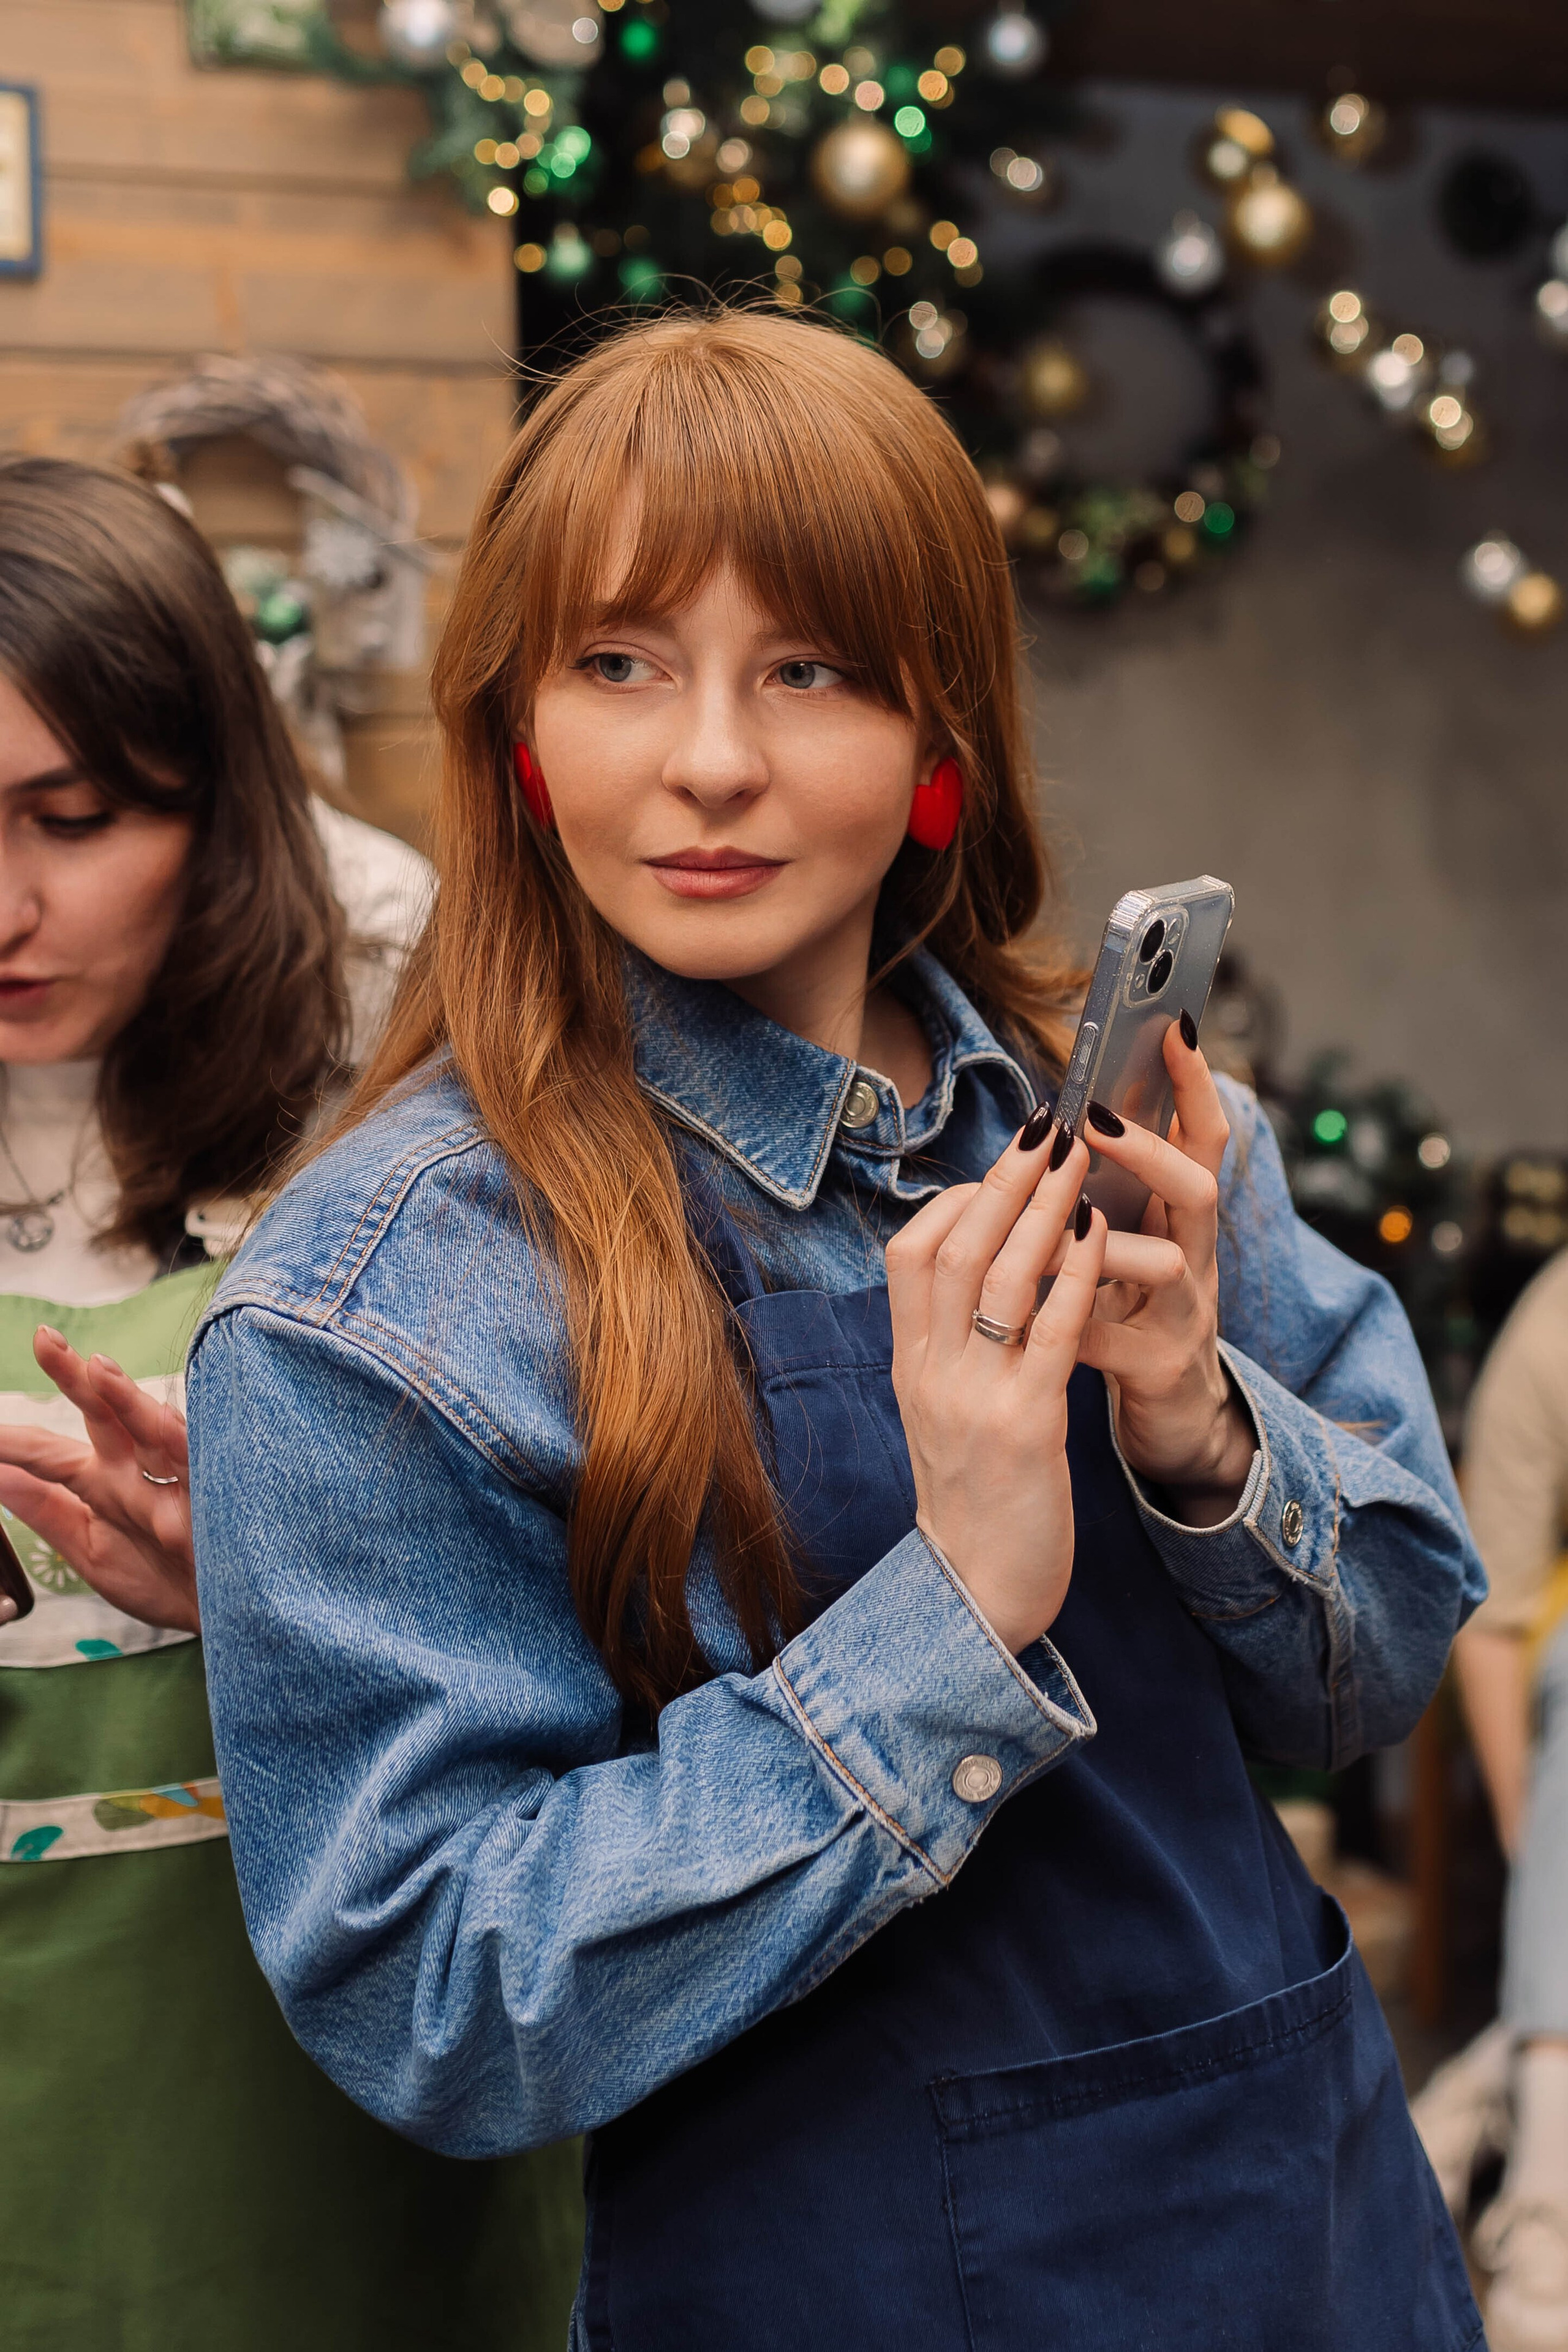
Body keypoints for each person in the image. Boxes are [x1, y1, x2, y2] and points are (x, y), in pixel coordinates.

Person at [17, 316, 1486, 2349]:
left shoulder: (1120, 1112)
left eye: (809, 669)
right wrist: (950, 1619)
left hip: (1312, 2239)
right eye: (621, 665)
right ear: (521, 732)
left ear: (942, 737)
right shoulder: (387, 1301)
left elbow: (1382, 1674)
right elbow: (435, 1994)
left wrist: (1193, 1423)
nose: (711, 758)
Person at [0, 457, 582, 2351]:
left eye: (71, 819)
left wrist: (280, 1562)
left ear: (223, 809)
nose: (3, 906)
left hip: (338, 2109)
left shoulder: (406, 1099)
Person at [1413, 1247, 1568, 2352]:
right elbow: (1499, 1611)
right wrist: (1538, 1853)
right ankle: (1551, 2229)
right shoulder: (1556, 1326)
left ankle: (1494, 2079)